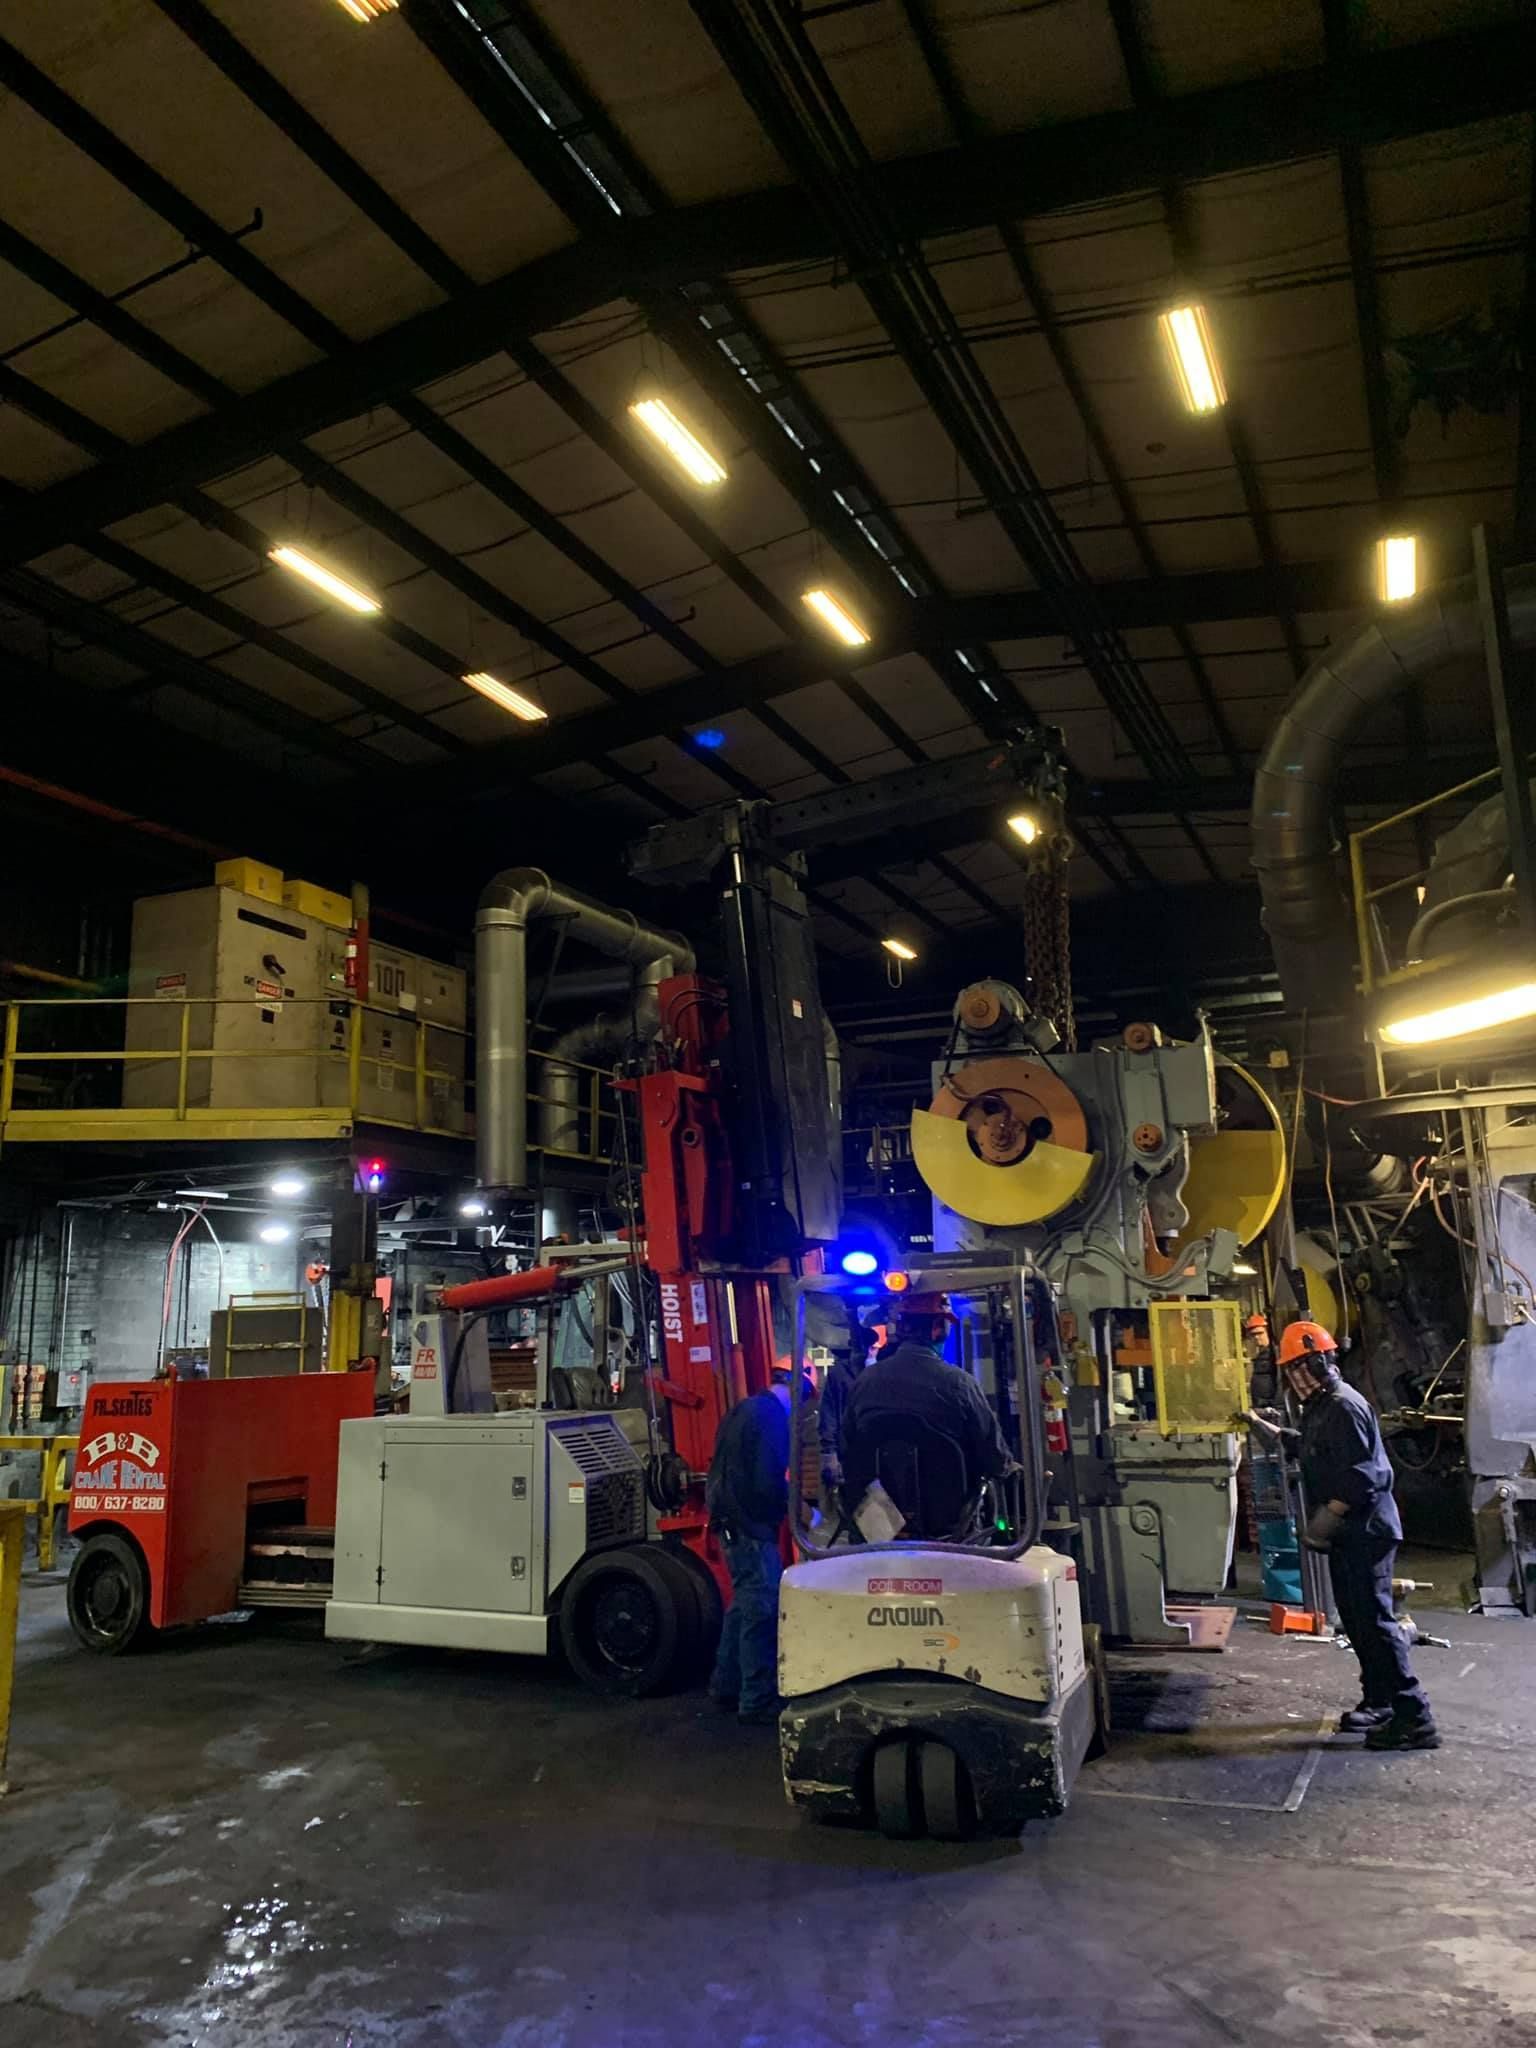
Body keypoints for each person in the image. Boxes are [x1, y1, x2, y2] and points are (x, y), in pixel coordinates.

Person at [1249, 1320, 1438, 1750]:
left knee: (1375, 1621)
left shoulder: (1344, 1405)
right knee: (1356, 1621)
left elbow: (1370, 1475)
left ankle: (1415, 1716)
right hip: (1350, 1534)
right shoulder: (1320, 1406)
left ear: (1320, 1361)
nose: (1295, 1378)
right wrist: (1276, 1433)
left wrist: (1327, 1518)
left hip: (1366, 1531)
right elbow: (1320, 1446)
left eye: (1301, 1367)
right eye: (1291, 1370)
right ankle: (1380, 1701)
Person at [839, 1293, 1014, 1539]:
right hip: (951, 1533)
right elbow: (996, 1460)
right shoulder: (959, 1384)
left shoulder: (864, 1382)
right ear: (937, 1329)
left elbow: (847, 1451)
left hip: (879, 1530)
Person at [705, 1368, 797, 1726]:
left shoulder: (743, 1409)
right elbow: (767, 1479)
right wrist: (788, 1510)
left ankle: (725, 1685)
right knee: (761, 1607)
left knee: (743, 1607)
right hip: (750, 1525)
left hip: (730, 1520)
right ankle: (756, 1701)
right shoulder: (773, 1417)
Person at [817, 1318, 877, 1506]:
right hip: (850, 1453)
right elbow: (829, 1416)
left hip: (874, 1454)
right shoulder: (839, 1374)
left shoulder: (876, 1372)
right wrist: (830, 1453)